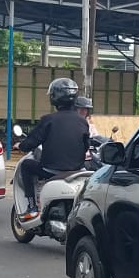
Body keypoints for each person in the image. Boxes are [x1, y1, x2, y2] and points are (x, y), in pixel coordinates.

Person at [14, 78, 90, 219]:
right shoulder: (82, 121)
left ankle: (32, 207)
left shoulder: (48, 120)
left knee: (26, 165)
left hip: (52, 171)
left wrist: (21, 145)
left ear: (55, 97)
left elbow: (31, 142)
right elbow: (86, 146)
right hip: (77, 171)